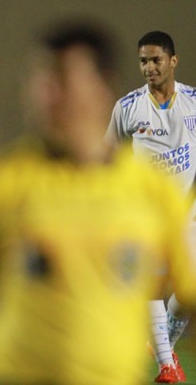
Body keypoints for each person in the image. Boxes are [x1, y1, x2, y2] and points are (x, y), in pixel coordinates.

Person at [0, 21, 196, 384]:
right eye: (40, 80)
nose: (46, 95)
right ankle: (167, 362)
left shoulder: (155, 193)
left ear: (103, 88)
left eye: (63, 81)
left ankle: (165, 355)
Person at [105, 30, 196, 383]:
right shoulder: (127, 108)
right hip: (142, 214)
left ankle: (161, 345)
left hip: (187, 212)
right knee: (150, 285)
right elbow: (106, 158)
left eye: (156, 60)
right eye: (143, 61)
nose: (149, 67)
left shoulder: (193, 102)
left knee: (189, 291)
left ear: (173, 61)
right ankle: (166, 366)